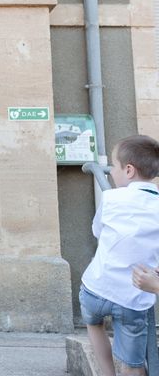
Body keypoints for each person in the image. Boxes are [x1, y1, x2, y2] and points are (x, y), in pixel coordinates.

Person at [80, 135, 159, 376]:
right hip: (133, 297)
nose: (111, 172)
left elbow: (97, 231)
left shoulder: (111, 197)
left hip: (96, 287)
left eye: (113, 166)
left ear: (128, 170)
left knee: (93, 324)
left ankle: (106, 373)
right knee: (132, 364)